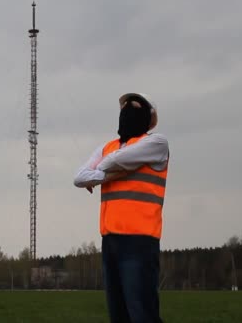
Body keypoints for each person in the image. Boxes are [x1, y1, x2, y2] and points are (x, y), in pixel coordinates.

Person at [73, 93, 169, 323]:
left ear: (148, 117)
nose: (127, 110)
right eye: (124, 107)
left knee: (142, 314)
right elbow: (79, 178)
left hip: (140, 242)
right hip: (111, 241)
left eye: (134, 107)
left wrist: (99, 175)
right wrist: (106, 175)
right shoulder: (108, 146)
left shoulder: (156, 143)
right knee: (118, 315)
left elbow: (110, 162)